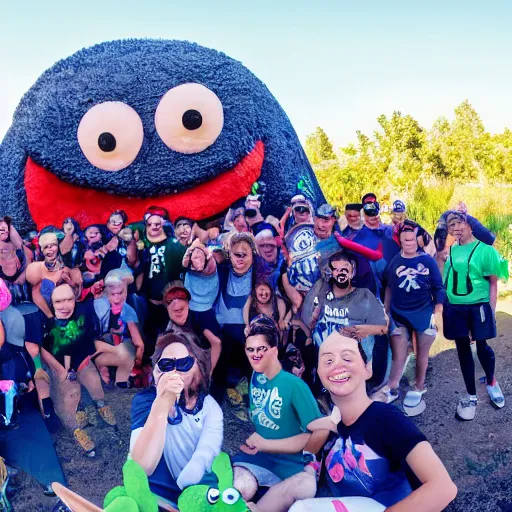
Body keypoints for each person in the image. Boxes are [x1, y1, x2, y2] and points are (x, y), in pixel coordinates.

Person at [307, 331, 457, 510]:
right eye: (328, 361)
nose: (337, 365)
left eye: (347, 358)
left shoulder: (387, 419)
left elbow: (443, 488)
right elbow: (315, 425)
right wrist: (330, 423)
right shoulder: (341, 421)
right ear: (320, 373)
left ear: (368, 368)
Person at [232, 315, 323, 512]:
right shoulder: (256, 375)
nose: (255, 355)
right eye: (251, 350)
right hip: (259, 458)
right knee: (240, 486)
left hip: (290, 466)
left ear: (274, 350)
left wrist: (267, 444)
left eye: (261, 349)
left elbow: (315, 436)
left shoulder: (295, 385)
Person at [130, 332, 223, 511]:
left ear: (199, 367)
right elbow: (141, 466)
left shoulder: (210, 408)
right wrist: (162, 403)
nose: (174, 371)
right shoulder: (145, 401)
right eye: (166, 365)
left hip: (199, 494)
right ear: (157, 371)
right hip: (158, 496)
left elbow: (206, 453)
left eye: (183, 364)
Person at [374, 222, 445, 415]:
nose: (410, 243)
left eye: (412, 239)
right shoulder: (395, 262)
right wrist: (386, 312)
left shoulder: (428, 261)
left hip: (423, 313)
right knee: (399, 354)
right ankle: (392, 387)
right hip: (399, 314)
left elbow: (439, 288)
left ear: (417, 240)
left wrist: (437, 313)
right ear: (401, 241)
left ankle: (419, 385)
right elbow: (388, 287)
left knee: (422, 354)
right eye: (405, 240)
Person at [40, 283, 118, 456]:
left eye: (69, 300)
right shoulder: (45, 320)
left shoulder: (84, 311)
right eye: (59, 301)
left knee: (95, 385)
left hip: (81, 359)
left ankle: (100, 405)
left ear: (75, 299)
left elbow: (87, 337)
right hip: (59, 364)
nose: (65, 305)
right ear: (51, 303)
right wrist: (60, 371)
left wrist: (90, 357)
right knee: (68, 397)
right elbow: (41, 349)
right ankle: (75, 429)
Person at [442, 212, 504, 420]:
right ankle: (471, 394)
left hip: (478, 307)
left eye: (460, 222)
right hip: (456, 308)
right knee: (462, 349)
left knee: (482, 347)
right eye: (452, 224)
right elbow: (446, 275)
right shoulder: (451, 248)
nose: (456, 227)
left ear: (470, 225)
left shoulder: (484, 250)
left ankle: (492, 381)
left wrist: (491, 311)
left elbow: (493, 282)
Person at [302, 251, 387, 358]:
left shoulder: (364, 296)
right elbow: (312, 322)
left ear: (352, 272)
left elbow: (383, 327)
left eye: (344, 269)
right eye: (336, 270)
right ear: (331, 273)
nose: (341, 273)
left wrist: (361, 330)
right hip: (325, 358)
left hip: (353, 359)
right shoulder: (322, 295)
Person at [213, 232, 258, 408]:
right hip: (223, 327)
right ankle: (215, 398)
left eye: (244, 255)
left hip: (248, 328)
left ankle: (255, 398)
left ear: (252, 255)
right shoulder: (222, 270)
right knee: (221, 344)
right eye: (235, 254)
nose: (239, 259)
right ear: (229, 255)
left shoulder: (259, 273)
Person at [138, 207, 187, 356]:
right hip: (149, 302)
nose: (153, 227)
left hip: (170, 302)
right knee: (150, 338)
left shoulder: (174, 245)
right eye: (150, 224)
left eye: (157, 224)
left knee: (173, 337)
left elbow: (186, 265)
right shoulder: (143, 245)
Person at [93, 269, 144, 387]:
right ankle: (104, 366)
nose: (116, 298)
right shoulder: (98, 306)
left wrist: (137, 362)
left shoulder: (129, 312)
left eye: (120, 293)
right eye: (113, 293)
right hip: (100, 348)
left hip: (120, 350)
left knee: (127, 352)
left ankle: (120, 382)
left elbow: (139, 344)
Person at [163, 281, 222, 371]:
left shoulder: (200, 315)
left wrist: (208, 373)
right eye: (170, 300)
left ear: (188, 301)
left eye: (180, 297)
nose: (176, 302)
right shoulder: (169, 326)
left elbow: (216, 343)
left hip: (210, 363)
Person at [26, 231, 83, 318]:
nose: (50, 249)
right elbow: (35, 294)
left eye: (52, 245)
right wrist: (50, 316)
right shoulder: (35, 269)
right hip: (44, 314)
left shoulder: (71, 270)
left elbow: (77, 295)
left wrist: (68, 281)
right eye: (46, 247)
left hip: (71, 314)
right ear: (41, 250)